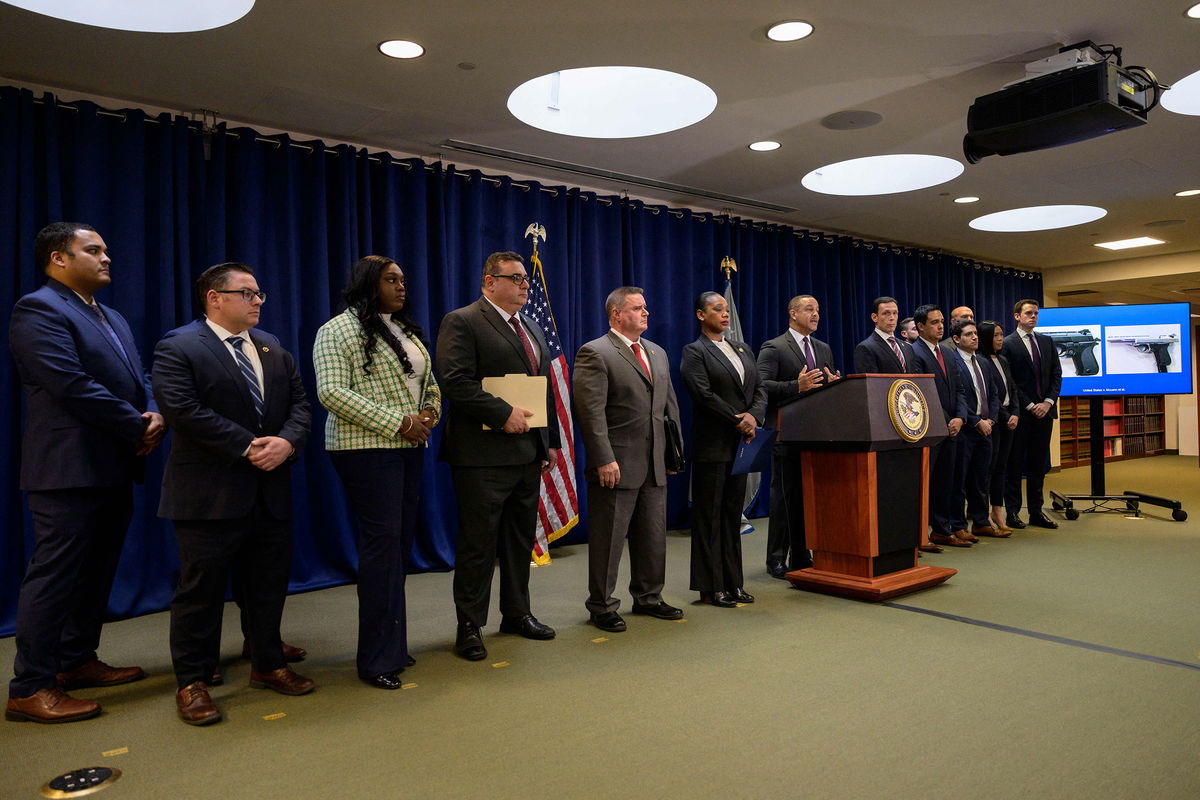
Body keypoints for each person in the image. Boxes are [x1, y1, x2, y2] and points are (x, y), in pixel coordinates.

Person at [5, 223, 163, 724]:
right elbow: (69, 384)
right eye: (92, 250)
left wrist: (155, 411)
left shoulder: (111, 314)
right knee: (55, 576)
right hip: (67, 468)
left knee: (96, 571)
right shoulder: (38, 309)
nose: (106, 257)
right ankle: (31, 686)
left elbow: (138, 377)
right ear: (58, 258)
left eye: (106, 249)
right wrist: (134, 424)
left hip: (112, 463)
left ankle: (75, 661)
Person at [154, 262, 313, 725]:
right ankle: (193, 681)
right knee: (199, 593)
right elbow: (182, 410)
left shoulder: (273, 349)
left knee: (266, 585)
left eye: (259, 293)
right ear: (214, 298)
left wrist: (286, 442)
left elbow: (300, 405)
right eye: (247, 293)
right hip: (208, 493)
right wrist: (248, 446)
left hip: (269, 490)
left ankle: (267, 663)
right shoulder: (179, 345)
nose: (258, 300)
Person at [313, 256, 441, 689]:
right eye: (391, 280)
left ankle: (393, 646)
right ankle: (375, 659)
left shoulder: (403, 329)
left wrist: (427, 413)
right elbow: (331, 392)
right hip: (365, 450)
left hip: (408, 447)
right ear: (369, 284)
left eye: (403, 279)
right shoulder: (337, 330)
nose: (401, 286)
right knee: (382, 550)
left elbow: (429, 382)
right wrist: (398, 422)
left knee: (397, 548)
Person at [435, 251, 560, 662]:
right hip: (481, 456)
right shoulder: (463, 320)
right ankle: (469, 626)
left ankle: (517, 614)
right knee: (478, 546)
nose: (526, 286)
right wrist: (502, 413)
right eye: (516, 279)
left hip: (527, 453)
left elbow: (543, 388)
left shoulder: (531, 327)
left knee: (518, 541)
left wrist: (548, 444)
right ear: (490, 282)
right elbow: (454, 381)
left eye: (527, 280)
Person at [572, 287, 684, 632]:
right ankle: (602, 605)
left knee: (652, 536)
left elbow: (669, 408)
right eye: (638, 308)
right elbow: (591, 413)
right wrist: (604, 458)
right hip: (616, 464)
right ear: (617, 314)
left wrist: (672, 453)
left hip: (654, 462)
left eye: (646, 307)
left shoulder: (658, 353)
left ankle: (649, 597)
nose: (646, 312)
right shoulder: (596, 352)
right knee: (608, 539)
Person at [680, 292, 767, 607]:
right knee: (710, 517)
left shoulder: (742, 348)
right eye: (717, 309)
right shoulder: (695, 351)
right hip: (713, 444)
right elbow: (702, 394)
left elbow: (759, 388)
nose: (725, 314)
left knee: (732, 515)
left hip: (741, 446)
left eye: (727, 309)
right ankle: (710, 586)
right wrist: (738, 420)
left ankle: (734, 582)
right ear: (701, 315)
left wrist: (753, 416)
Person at [755, 294, 838, 577]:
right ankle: (776, 558)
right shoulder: (775, 346)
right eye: (808, 309)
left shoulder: (823, 348)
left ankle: (802, 556)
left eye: (817, 310)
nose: (815, 314)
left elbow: (824, 384)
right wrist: (795, 385)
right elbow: (761, 385)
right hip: (786, 431)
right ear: (793, 314)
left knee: (808, 497)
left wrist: (834, 386)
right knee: (784, 496)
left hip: (816, 433)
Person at [908, 305, 966, 550]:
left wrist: (960, 418)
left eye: (942, 321)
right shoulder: (914, 353)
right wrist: (945, 419)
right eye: (934, 322)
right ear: (920, 327)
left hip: (952, 427)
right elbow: (921, 393)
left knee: (946, 482)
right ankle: (920, 534)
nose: (941, 326)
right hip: (929, 430)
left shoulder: (948, 352)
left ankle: (942, 530)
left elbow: (960, 390)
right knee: (925, 484)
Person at [1001, 299, 1062, 530]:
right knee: (1014, 465)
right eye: (1028, 313)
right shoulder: (1008, 343)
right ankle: (1013, 513)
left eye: (1036, 313)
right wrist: (1029, 405)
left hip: (1045, 414)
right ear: (1017, 316)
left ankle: (1037, 512)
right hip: (1021, 414)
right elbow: (1010, 381)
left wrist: (1047, 402)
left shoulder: (1046, 341)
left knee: (1038, 465)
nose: (1033, 317)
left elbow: (1057, 375)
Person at [947, 320, 1002, 541]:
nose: (975, 337)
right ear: (957, 339)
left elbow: (993, 394)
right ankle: (958, 524)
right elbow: (957, 398)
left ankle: (981, 522)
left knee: (981, 479)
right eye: (969, 334)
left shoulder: (983, 362)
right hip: (967, 429)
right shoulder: (953, 362)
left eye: (976, 333)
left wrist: (991, 420)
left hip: (986, 429)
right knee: (960, 481)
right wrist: (975, 420)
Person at [978, 320, 1019, 535]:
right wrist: (1005, 416)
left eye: (1002, 334)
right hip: (993, 422)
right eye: (996, 335)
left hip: (1009, 421)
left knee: (1001, 468)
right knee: (988, 469)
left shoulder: (1003, 359)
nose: (1001, 338)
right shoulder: (981, 361)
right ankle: (982, 514)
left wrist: (1016, 413)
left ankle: (998, 510)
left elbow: (1012, 390)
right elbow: (991, 395)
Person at [853, 296, 916, 374]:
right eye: (886, 313)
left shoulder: (907, 347)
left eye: (895, 313)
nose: (892, 318)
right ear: (874, 317)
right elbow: (870, 384)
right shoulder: (865, 348)